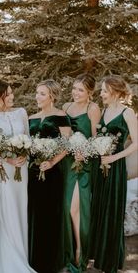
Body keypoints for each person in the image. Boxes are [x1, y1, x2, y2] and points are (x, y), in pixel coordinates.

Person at [0, 79, 36, 273]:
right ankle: (9, 260)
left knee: (20, 207)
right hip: (2, 170)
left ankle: (22, 256)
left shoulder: (21, 113)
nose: (12, 96)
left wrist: (23, 155)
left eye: (12, 92)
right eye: (8, 93)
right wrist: (8, 159)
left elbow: (28, 139)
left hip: (22, 169)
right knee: (7, 209)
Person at [89, 75, 137, 273]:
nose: (101, 94)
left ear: (115, 92)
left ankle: (111, 262)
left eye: (104, 91)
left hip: (115, 168)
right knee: (100, 208)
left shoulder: (128, 113)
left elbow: (136, 143)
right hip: (101, 167)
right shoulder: (105, 111)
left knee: (112, 210)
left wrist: (114, 158)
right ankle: (99, 258)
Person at [28, 79, 71, 273]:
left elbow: (67, 145)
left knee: (51, 214)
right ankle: (34, 259)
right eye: (37, 93)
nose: (38, 97)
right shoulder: (31, 118)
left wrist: (52, 161)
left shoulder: (61, 116)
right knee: (35, 213)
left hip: (53, 172)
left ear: (52, 96)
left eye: (42, 94)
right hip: (33, 172)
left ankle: (51, 262)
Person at [62, 73, 101, 272]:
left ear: (90, 93)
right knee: (66, 208)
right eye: (74, 89)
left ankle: (80, 251)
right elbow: (62, 137)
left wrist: (84, 152)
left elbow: (96, 139)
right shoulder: (65, 108)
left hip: (83, 166)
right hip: (66, 164)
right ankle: (69, 250)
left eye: (80, 90)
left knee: (76, 209)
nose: (75, 93)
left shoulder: (92, 109)